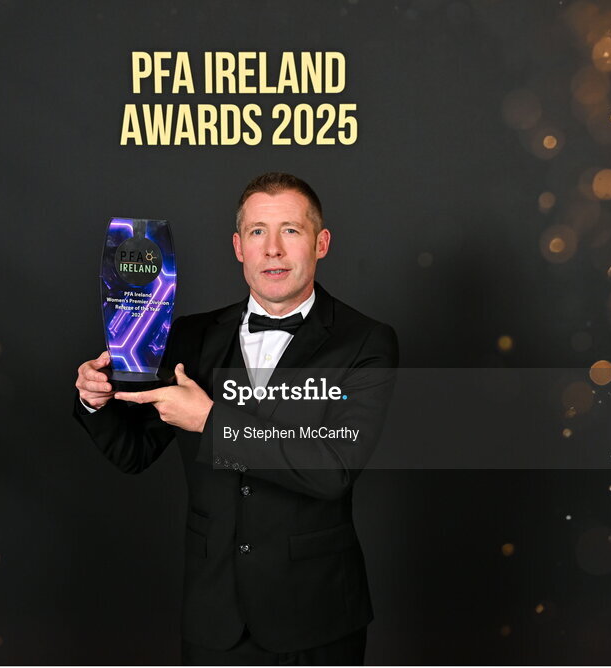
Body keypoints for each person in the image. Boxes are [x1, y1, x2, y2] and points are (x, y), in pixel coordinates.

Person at [73, 172, 398, 665]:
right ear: (238, 246)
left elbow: (333, 467)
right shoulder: (190, 335)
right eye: (256, 232)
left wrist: (209, 419)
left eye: (290, 230)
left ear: (321, 243)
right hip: (213, 617)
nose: (272, 250)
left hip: (317, 616)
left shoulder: (366, 342)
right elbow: (135, 452)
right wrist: (95, 401)